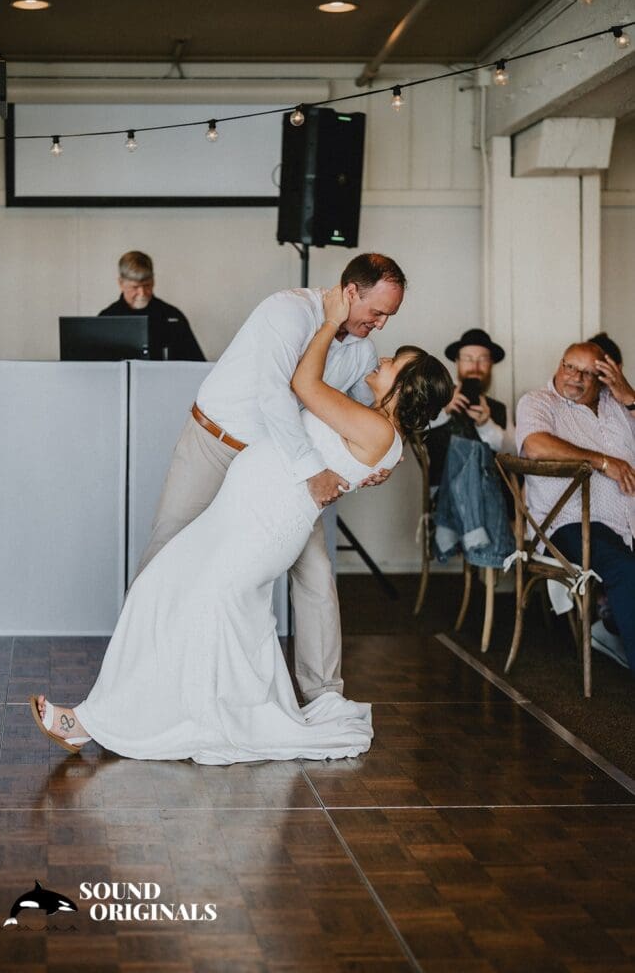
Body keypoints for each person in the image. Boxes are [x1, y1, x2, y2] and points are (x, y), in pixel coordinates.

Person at [29, 286, 454, 762]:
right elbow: (331, 414)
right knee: (159, 589)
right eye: (380, 318)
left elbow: (307, 387)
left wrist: (332, 324)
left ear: (407, 387)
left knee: (209, 607)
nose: (385, 352)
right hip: (237, 511)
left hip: (262, 527)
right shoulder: (349, 387)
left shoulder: (377, 427)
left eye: (396, 361)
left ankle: (97, 722)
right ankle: (123, 707)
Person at [134, 252, 406, 703]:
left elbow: (365, 415)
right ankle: (135, 679)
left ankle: (324, 695)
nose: (380, 325)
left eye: (388, 317)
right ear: (351, 291)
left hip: (276, 466)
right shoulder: (287, 310)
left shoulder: (362, 351)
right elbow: (273, 396)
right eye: (377, 312)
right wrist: (314, 472)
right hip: (216, 444)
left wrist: (383, 460)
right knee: (166, 550)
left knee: (316, 572)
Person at [517, 341, 635, 672]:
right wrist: (602, 461)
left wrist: (629, 396)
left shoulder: (617, 406)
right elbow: (535, 446)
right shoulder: (538, 402)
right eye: (570, 366)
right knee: (627, 570)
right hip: (569, 524)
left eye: (587, 373)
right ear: (559, 363)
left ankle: (610, 627)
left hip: (627, 522)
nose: (574, 377)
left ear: (604, 377)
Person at [427, 328, 516, 488]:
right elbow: (412, 432)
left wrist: (487, 425)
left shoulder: (500, 408)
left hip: (490, 494)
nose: (475, 366)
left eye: (483, 359)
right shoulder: (435, 398)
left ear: (491, 364)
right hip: (446, 495)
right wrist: (444, 411)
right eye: (468, 359)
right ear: (457, 361)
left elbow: (514, 452)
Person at [99, 250, 205, 361]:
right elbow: (95, 371)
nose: (142, 293)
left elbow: (196, 364)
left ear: (153, 281)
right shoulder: (106, 319)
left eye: (147, 285)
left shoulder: (172, 317)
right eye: (135, 287)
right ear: (121, 283)